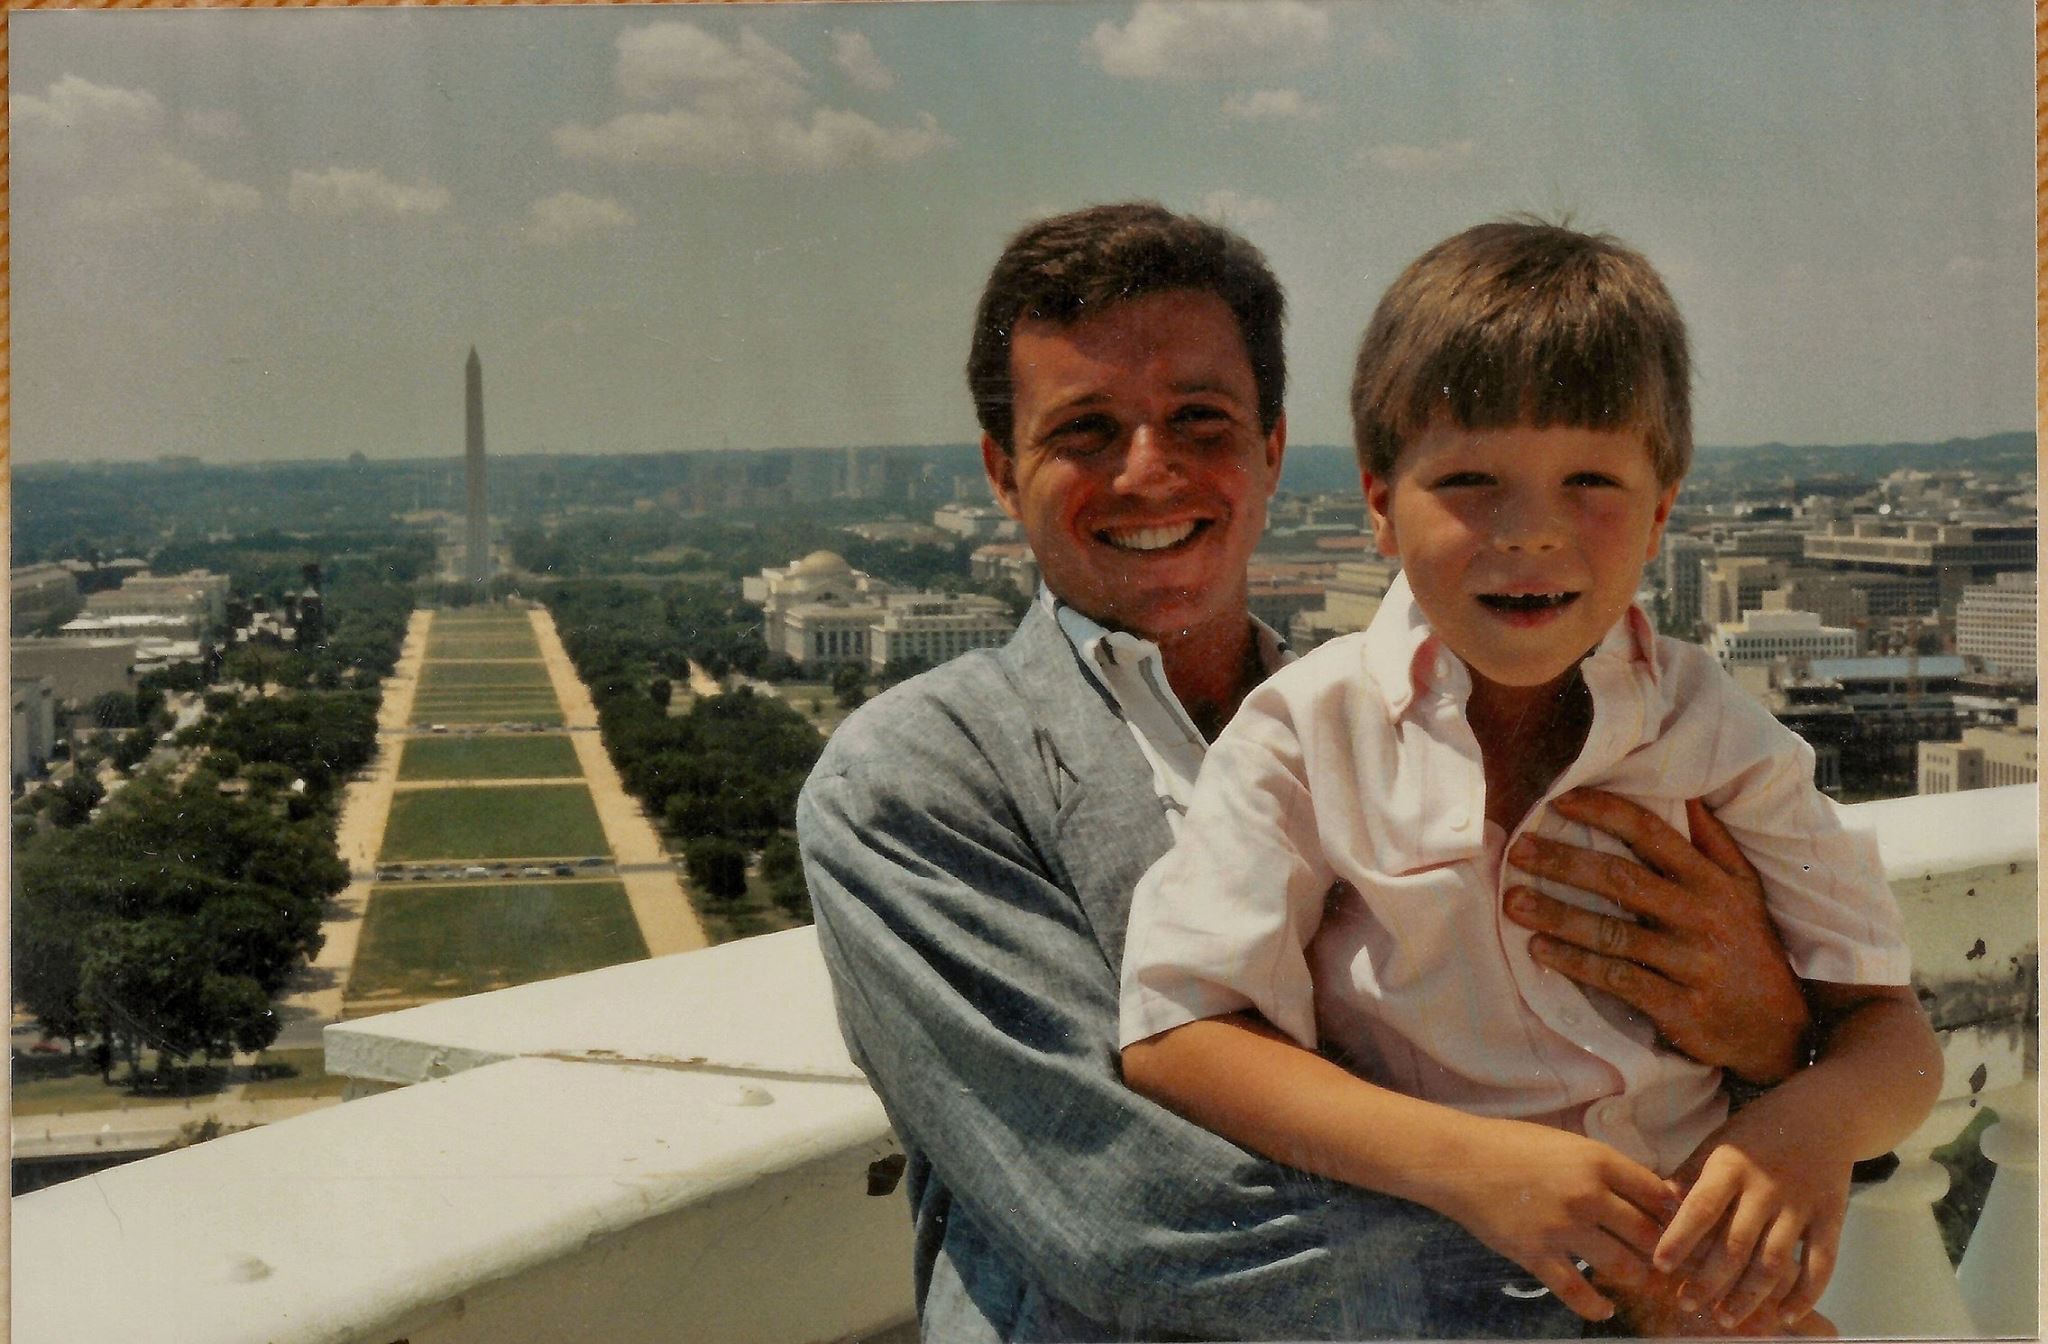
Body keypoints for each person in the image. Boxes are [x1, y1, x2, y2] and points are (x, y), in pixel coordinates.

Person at [798, 202, 1817, 1341]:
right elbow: (1140, 1220)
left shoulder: (1429, 721)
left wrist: (1780, 1042)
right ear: (1001, 469)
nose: (1148, 472)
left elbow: (1684, 1085)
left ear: (1272, 449)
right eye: (1084, 431)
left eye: (1199, 419)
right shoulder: (911, 782)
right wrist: (1637, 1296)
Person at [1117, 220, 1942, 1334]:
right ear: (1375, 503)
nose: (1531, 532)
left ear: (1659, 512)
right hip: (1422, 1288)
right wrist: (1468, 1166)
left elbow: (1886, 1035)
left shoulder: (1719, 738)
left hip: (1690, 1286)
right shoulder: (1306, 735)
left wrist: (1804, 1127)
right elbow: (1177, 1032)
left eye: (1588, 481)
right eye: (1468, 480)